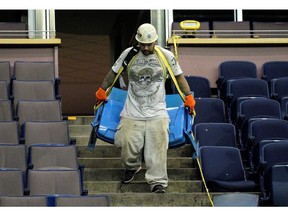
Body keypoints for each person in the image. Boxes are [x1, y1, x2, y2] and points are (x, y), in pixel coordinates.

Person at [95, 23, 195, 193]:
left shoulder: (166, 55)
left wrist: (188, 97)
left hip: (157, 113)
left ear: (155, 41)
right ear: (138, 42)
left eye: (150, 44)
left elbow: (179, 78)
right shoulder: (129, 54)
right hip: (132, 111)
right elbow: (113, 73)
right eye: (143, 44)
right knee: (126, 143)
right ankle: (132, 167)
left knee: (157, 148)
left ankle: (157, 182)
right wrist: (102, 90)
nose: (147, 48)